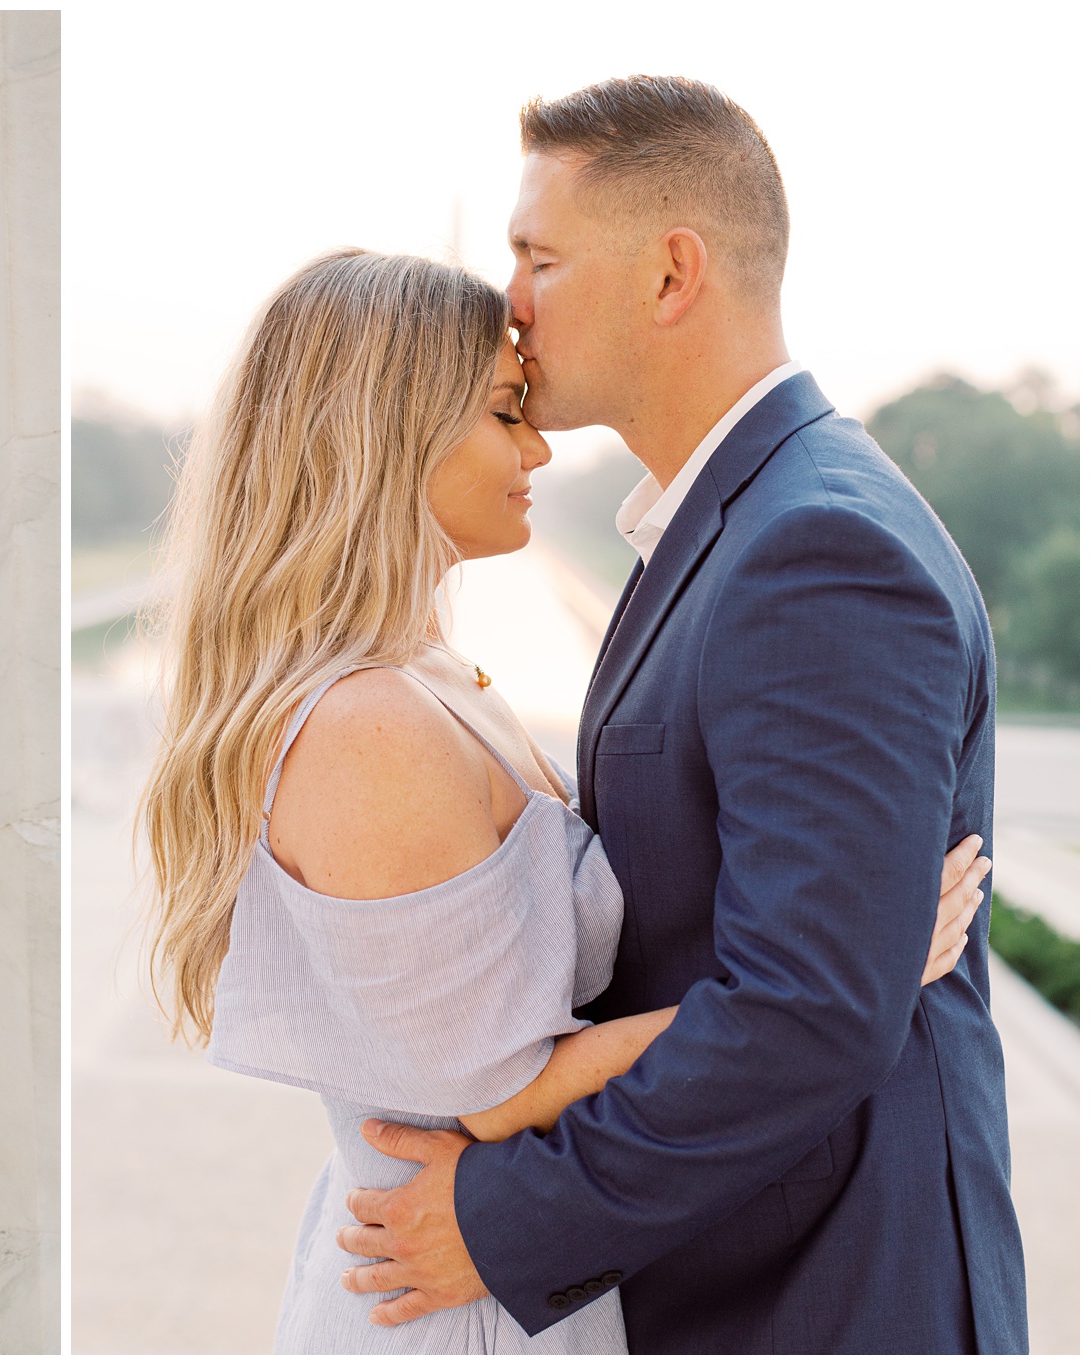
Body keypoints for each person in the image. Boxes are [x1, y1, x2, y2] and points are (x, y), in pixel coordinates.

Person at [140, 239, 1002, 1347]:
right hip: (458, 1300)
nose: (538, 444)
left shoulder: (423, 676)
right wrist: (859, 966)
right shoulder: (368, 728)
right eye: (503, 412)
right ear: (386, 433)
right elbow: (498, 1091)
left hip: (514, 1278)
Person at [312, 78, 1027, 1352]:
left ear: (668, 274)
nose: (510, 302)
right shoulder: (727, 527)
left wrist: (500, 1219)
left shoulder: (814, 549)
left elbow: (808, 1011)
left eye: (537, 257)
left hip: (825, 1294)